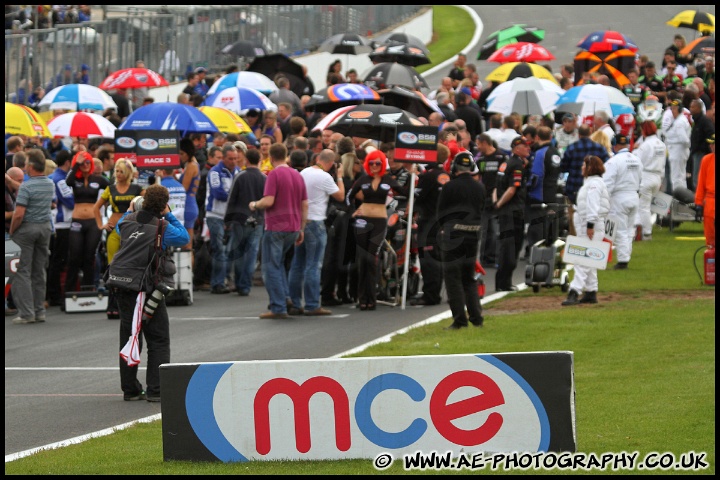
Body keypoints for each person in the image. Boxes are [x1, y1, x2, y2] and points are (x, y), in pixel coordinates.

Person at [110, 184, 189, 402]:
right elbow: (183, 238)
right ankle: (156, 389)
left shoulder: (127, 221)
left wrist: (129, 209)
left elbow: (117, 229)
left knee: (129, 335)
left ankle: (130, 389)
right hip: (147, 288)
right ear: (164, 204)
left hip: (122, 285)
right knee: (159, 339)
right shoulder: (162, 227)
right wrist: (170, 214)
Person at [250, 142, 308, 319]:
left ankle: (278, 306)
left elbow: (268, 201)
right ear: (286, 156)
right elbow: (305, 204)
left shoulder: (274, 174)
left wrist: (254, 204)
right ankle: (286, 297)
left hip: (276, 226)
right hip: (293, 226)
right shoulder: (297, 175)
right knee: (280, 264)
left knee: (271, 267)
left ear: (271, 158)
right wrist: (301, 228)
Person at [347, 150, 408, 311]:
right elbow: (349, 196)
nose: (374, 166)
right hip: (362, 220)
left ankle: (371, 297)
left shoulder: (389, 180)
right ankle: (362, 298)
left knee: (371, 257)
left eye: (378, 163)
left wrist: (414, 177)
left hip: (380, 220)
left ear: (382, 164)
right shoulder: (362, 179)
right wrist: (353, 210)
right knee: (362, 258)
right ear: (367, 164)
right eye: (371, 163)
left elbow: (406, 193)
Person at [287, 149, 345, 316]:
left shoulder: (304, 172)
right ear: (332, 164)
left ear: (318, 158)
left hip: (302, 221)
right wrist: (339, 176)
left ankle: (296, 303)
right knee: (313, 265)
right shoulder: (325, 177)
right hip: (316, 222)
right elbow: (340, 196)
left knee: (298, 264)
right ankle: (312, 304)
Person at [437, 151, 485, 329]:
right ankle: (476, 317)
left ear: (454, 167)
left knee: (452, 278)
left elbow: (441, 212)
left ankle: (459, 319)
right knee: (468, 277)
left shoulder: (449, 187)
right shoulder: (480, 187)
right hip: (473, 234)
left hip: (454, 234)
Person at [93, 158, 143, 319]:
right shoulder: (110, 188)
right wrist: (101, 225)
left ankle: (130, 304)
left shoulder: (137, 188)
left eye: (121, 171)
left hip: (131, 231)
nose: (118, 174)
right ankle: (113, 305)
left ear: (127, 173)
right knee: (113, 267)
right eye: (116, 171)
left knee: (130, 266)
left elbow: (148, 204)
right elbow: (96, 207)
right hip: (114, 230)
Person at [10, 150, 54, 324]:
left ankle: (27, 313)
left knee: (22, 271)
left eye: (27, 163)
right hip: (44, 228)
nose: (25, 166)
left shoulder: (27, 186)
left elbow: (19, 214)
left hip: (27, 229)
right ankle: (39, 311)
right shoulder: (49, 183)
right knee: (39, 270)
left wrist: (13, 231)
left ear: (31, 166)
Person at [561, 155, 610, 306]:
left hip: (590, 225)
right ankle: (591, 291)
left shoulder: (593, 184)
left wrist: (590, 225)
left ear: (590, 167)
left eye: (584, 165)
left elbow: (593, 205)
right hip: (588, 224)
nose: (582, 168)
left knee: (583, 259)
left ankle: (574, 291)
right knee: (589, 259)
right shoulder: (592, 183)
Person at [412, 144, 451, 306]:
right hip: (442, 222)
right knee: (437, 259)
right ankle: (433, 292)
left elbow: (416, 197)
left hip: (428, 223)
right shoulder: (446, 175)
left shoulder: (428, 177)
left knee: (428, 261)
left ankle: (431, 295)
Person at [65, 151, 110, 292]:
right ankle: (69, 291)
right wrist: (76, 164)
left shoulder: (98, 179)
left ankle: (88, 288)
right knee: (74, 256)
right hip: (77, 221)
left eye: (87, 162)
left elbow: (113, 189)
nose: (85, 165)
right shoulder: (74, 179)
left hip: (93, 222)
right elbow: (68, 181)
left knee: (89, 256)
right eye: (82, 162)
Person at [225, 148, 266, 296]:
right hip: (258, 220)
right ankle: (245, 284)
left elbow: (232, 199)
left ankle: (239, 283)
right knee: (252, 253)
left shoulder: (240, 177)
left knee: (239, 252)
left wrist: (227, 220)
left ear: (246, 160)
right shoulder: (264, 178)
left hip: (240, 219)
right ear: (259, 160)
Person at [493, 136, 531, 292]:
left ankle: (502, 282)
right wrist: (501, 204)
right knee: (511, 248)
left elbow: (496, 188)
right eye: (525, 146)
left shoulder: (505, 163)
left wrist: (497, 204)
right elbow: (512, 189)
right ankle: (504, 283)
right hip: (513, 212)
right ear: (517, 149)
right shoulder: (516, 165)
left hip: (505, 211)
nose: (528, 149)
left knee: (506, 247)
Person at [560, 124, 609, 236]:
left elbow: (563, 167)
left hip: (574, 186)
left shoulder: (572, 148)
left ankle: (574, 239)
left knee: (574, 217)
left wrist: (574, 168)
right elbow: (606, 164)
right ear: (590, 132)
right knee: (593, 209)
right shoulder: (599, 148)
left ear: (579, 134)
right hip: (594, 184)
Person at [603, 134, 642, 270]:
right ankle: (626, 256)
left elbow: (607, 184)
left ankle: (623, 260)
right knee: (629, 230)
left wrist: (604, 201)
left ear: (615, 146)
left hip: (619, 197)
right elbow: (641, 178)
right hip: (634, 195)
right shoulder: (636, 159)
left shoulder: (613, 162)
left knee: (620, 231)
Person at [206, 144, 240, 294]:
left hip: (231, 216)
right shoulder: (214, 172)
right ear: (224, 158)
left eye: (235, 158)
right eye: (230, 159)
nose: (233, 161)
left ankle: (226, 279)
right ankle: (217, 283)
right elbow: (218, 193)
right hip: (215, 215)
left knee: (230, 250)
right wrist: (235, 197)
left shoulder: (238, 171)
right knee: (219, 249)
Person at [525, 126, 562, 251]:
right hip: (552, 193)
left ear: (537, 137)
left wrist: (527, 188)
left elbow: (536, 176)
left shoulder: (540, 153)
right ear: (551, 137)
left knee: (537, 225)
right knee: (550, 224)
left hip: (538, 195)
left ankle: (535, 250)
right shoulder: (556, 152)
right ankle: (548, 249)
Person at [633, 121, 667, 241]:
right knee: (646, 207)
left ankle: (646, 233)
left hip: (647, 176)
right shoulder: (662, 144)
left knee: (643, 207)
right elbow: (663, 163)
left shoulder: (645, 145)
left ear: (645, 130)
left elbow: (637, 162)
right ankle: (642, 230)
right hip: (657, 177)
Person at [662, 99, 692, 193]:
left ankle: (677, 198)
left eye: (674, 108)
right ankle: (682, 197)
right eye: (672, 108)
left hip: (678, 151)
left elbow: (684, 139)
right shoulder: (678, 120)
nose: (672, 110)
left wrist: (685, 146)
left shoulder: (680, 122)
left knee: (676, 177)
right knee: (680, 177)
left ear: (679, 109)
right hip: (677, 150)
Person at [178, 137, 200, 251]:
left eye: (182, 153)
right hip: (189, 204)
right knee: (186, 245)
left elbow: (183, 188)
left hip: (188, 205)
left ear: (188, 153)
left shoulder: (191, 165)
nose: (180, 156)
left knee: (187, 246)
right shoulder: (191, 164)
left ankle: (189, 269)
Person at [694, 134, 715, 248]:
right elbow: (701, 184)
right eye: (710, 144)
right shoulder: (706, 160)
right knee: (710, 239)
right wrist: (698, 204)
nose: (711, 146)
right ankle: (711, 263)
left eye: (713, 144)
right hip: (710, 202)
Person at [688, 99, 714, 191]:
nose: (690, 109)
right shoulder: (697, 120)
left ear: (698, 108)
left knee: (697, 177)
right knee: (695, 176)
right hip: (696, 152)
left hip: (700, 153)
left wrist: (703, 148)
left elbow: (711, 134)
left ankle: (699, 199)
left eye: (692, 107)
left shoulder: (704, 121)